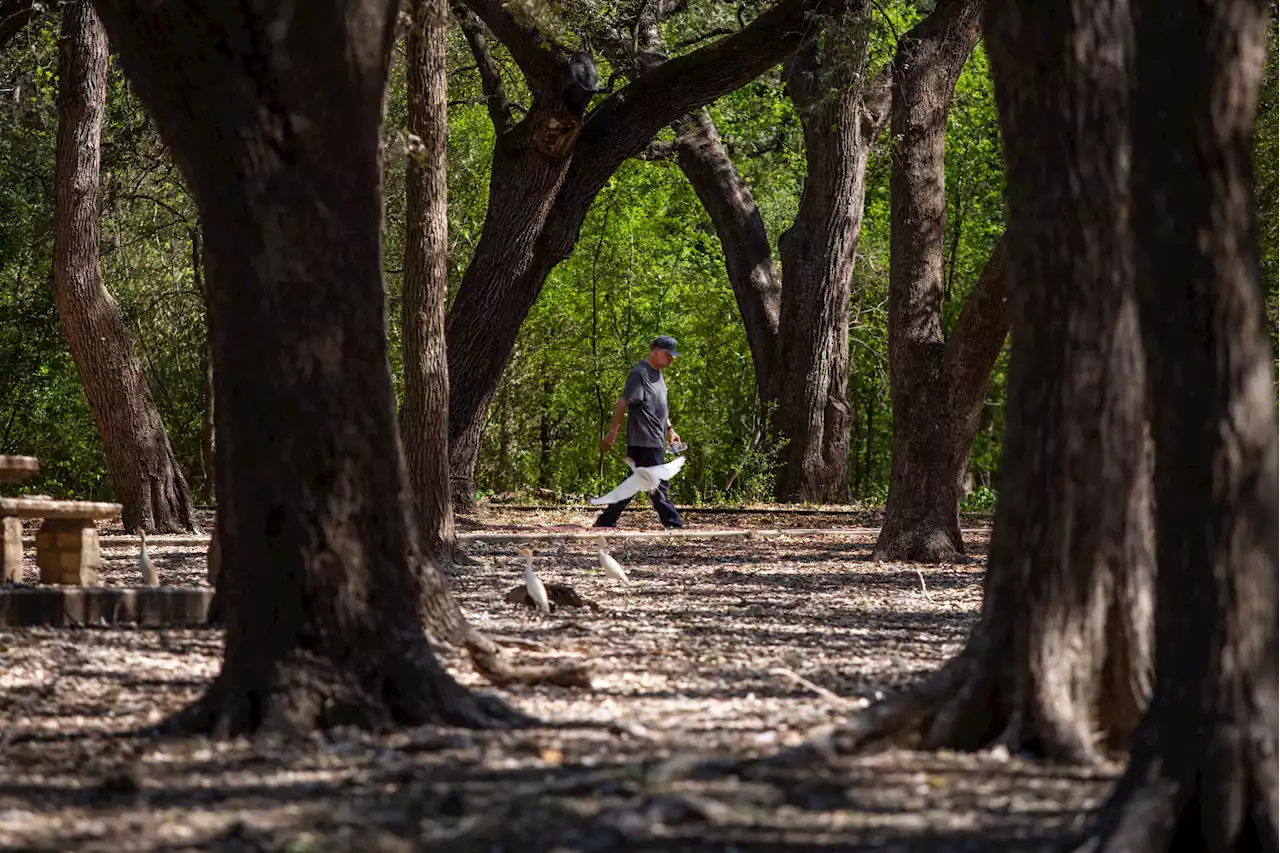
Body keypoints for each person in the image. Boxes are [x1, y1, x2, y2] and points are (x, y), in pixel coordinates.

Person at [594, 335, 684, 529]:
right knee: (658, 485)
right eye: (668, 355)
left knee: (634, 483)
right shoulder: (639, 374)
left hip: (654, 440)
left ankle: (605, 522)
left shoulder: (657, 372)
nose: (672, 359)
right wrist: (612, 433)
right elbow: (621, 404)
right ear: (655, 351)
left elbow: (657, 406)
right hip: (644, 441)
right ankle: (674, 526)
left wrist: (670, 429)